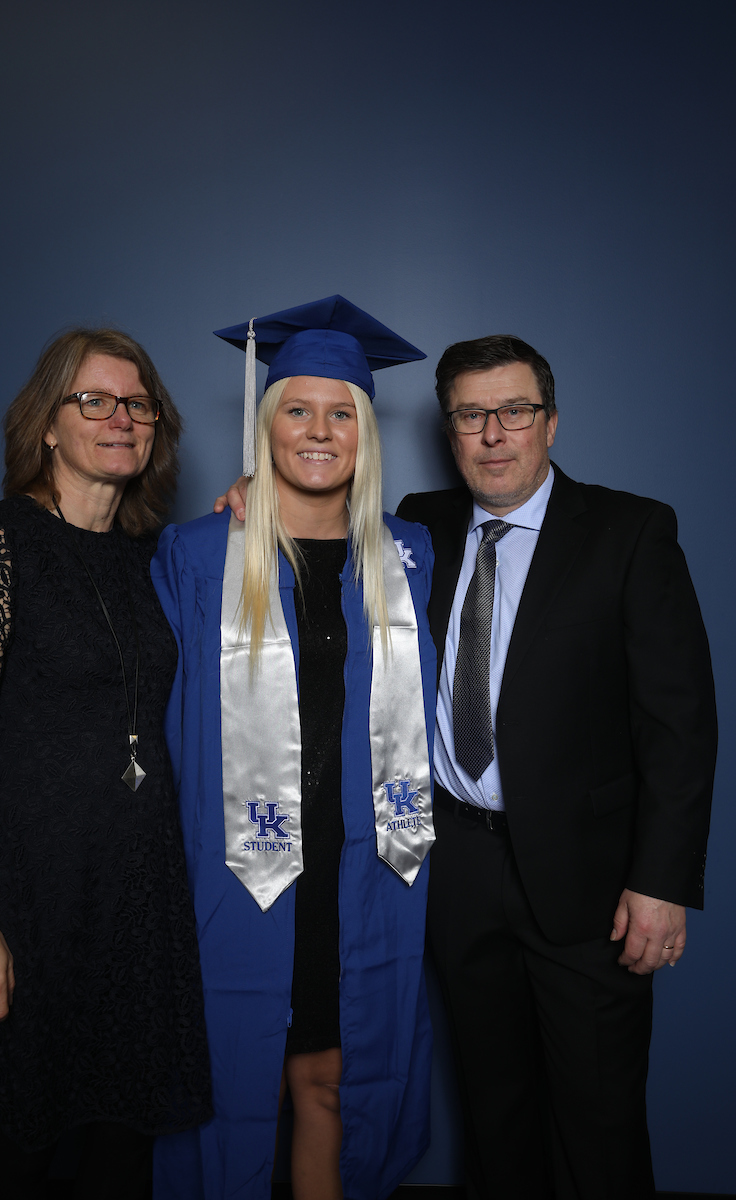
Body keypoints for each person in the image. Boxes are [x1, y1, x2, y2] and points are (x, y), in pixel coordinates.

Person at [395, 335, 716, 1200]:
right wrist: (252, 499)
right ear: (450, 427)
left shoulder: (629, 531)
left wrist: (663, 882)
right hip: (458, 867)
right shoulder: (415, 525)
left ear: (550, 422)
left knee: (599, 1122)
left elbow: (680, 724)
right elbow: (311, 535)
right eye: (471, 415)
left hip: (590, 883)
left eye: (515, 411)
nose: (494, 433)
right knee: (495, 1112)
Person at [151, 296, 437, 1200]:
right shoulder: (198, 555)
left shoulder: (413, 554)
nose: (320, 431)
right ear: (266, 425)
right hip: (238, 860)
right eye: (298, 410)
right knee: (238, 1076)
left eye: (341, 412)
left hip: (362, 868)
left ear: (365, 431)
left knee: (331, 1077)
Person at [0, 329, 211, 1198]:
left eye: (137, 404)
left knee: (123, 1149)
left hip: (139, 900)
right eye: (94, 401)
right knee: (25, 1150)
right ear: (47, 425)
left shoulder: (151, 557)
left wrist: (253, 501)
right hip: (33, 902)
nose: (120, 419)